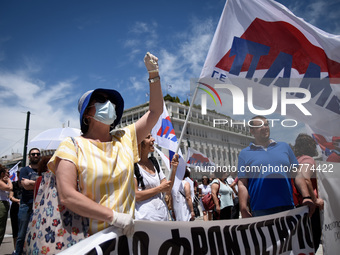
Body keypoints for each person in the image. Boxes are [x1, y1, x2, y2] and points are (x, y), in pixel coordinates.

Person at [47, 52, 163, 237]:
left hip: (127, 237)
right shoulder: (71, 146)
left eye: (110, 101)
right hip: (91, 240)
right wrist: (113, 217)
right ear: (86, 114)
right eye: (100, 101)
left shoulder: (124, 138)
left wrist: (154, 75)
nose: (108, 104)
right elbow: (67, 195)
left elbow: (155, 111)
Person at [237, 116, 315, 218]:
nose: (265, 127)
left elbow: (297, 174)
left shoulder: (284, 147)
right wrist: (243, 208)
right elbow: (242, 183)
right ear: (252, 130)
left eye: (266, 124)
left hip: (288, 207)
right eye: (260, 125)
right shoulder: (244, 154)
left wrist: (306, 196)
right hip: (260, 210)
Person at [134, 133, 178, 221]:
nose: (153, 139)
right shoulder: (133, 166)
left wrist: (174, 169)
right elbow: (135, 196)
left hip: (163, 218)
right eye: (148, 137)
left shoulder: (154, 162)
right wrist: (159, 189)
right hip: (145, 221)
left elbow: (167, 188)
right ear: (139, 143)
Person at [293, 133, 324, 252]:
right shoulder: (307, 159)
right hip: (310, 207)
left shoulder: (296, 160)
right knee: (312, 242)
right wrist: (315, 199)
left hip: (298, 207)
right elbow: (305, 178)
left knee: (301, 244)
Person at [15, 148, 40, 255]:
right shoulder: (25, 170)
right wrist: (40, 183)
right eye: (33, 154)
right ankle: (18, 253)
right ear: (29, 156)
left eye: (37, 154)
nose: (35, 156)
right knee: (22, 233)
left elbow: (30, 184)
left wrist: (31, 183)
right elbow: (25, 185)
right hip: (26, 204)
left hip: (39, 204)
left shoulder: (43, 170)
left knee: (38, 231)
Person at [9, 169, 22, 252]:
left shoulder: (26, 184)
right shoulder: (14, 184)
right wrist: (18, 201)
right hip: (15, 209)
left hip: (25, 208)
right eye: (18, 174)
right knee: (15, 230)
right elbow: (11, 197)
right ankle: (15, 249)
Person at [0, 165, 12, 246]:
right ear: (2, 174)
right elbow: (9, 188)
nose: (8, 175)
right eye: (6, 173)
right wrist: (9, 180)